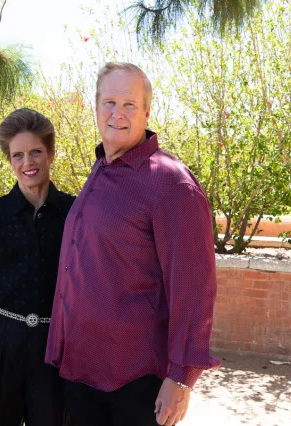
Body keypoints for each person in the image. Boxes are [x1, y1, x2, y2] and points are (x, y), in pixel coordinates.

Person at [45, 62, 220, 426]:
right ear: (95, 107)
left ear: (146, 112)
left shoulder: (171, 184)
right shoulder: (102, 169)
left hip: (134, 381)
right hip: (83, 371)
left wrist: (180, 378)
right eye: (109, 102)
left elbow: (193, 288)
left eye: (129, 105)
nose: (117, 114)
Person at [0, 108, 75, 426]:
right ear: (10, 160)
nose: (28, 163)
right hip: (0, 350)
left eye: (36, 151)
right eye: (18, 154)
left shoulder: (75, 212)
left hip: (55, 354)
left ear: (50, 153)